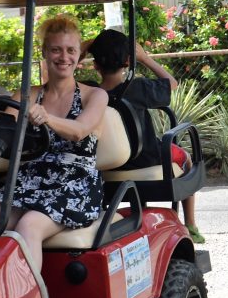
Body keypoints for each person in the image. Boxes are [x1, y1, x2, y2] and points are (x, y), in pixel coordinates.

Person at [0, 14, 108, 272]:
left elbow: (78, 131)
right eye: (55, 49)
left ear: (79, 55)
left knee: (29, 225)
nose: (63, 57)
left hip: (73, 184)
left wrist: (47, 118)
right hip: (28, 180)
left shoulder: (95, 95)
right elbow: (5, 135)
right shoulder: (26, 95)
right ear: (44, 52)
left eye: (70, 50)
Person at [84, 28, 205, 244]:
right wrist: (144, 58)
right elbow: (172, 83)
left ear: (95, 65)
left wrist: (84, 48)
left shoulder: (88, 91)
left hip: (106, 166)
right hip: (147, 158)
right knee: (185, 157)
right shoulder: (138, 88)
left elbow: (57, 80)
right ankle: (191, 224)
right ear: (128, 62)